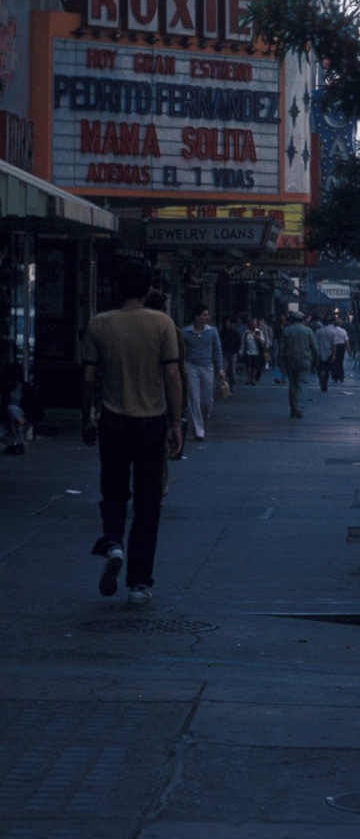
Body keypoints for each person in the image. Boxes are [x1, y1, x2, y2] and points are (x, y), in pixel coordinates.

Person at [82, 260, 183, 606]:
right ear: (148, 288)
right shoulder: (163, 323)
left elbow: (88, 378)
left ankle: (113, 543)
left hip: (112, 421)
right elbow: (172, 375)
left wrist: (87, 418)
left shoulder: (99, 324)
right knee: (147, 504)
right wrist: (176, 422)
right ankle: (139, 582)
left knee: (113, 493)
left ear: (116, 288)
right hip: (151, 423)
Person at [180, 306, 226, 444]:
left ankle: (203, 424)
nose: (207, 317)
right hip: (191, 367)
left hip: (207, 367)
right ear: (196, 317)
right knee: (194, 398)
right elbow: (182, 352)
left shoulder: (212, 332)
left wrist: (220, 369)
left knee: (207, 401)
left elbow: (217, 351)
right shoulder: (185, 333)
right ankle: (199, 431)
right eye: (205, 315)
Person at [279, 311, 319, 418]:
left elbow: (282, 349)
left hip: (290, 361)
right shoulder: (308, 330)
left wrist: (280, 363)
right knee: (302, 384)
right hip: (305, 360)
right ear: (303, 320)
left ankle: (293, 408)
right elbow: (314, 347)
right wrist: (316, 360)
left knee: (292, 384)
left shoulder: (286, 330)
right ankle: (299, 407)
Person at [311, 316, 338, 391]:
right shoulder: (332, 333)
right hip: (329, 353)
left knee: (319, 368)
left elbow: (315, 343)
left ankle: (321, 380)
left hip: (319, 352)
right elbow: (334, 345)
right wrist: (334, 355)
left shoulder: (317, 332)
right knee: (327, 369)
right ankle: (325, 382)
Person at [329, 317, 349, 383]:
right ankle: (341, 377)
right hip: (341, 346)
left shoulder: (332, 331)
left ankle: (335, 376)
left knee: (334, 362)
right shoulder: (343, 331)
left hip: (333, 346)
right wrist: (349, 349)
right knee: (340, 362)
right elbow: (346, 341)